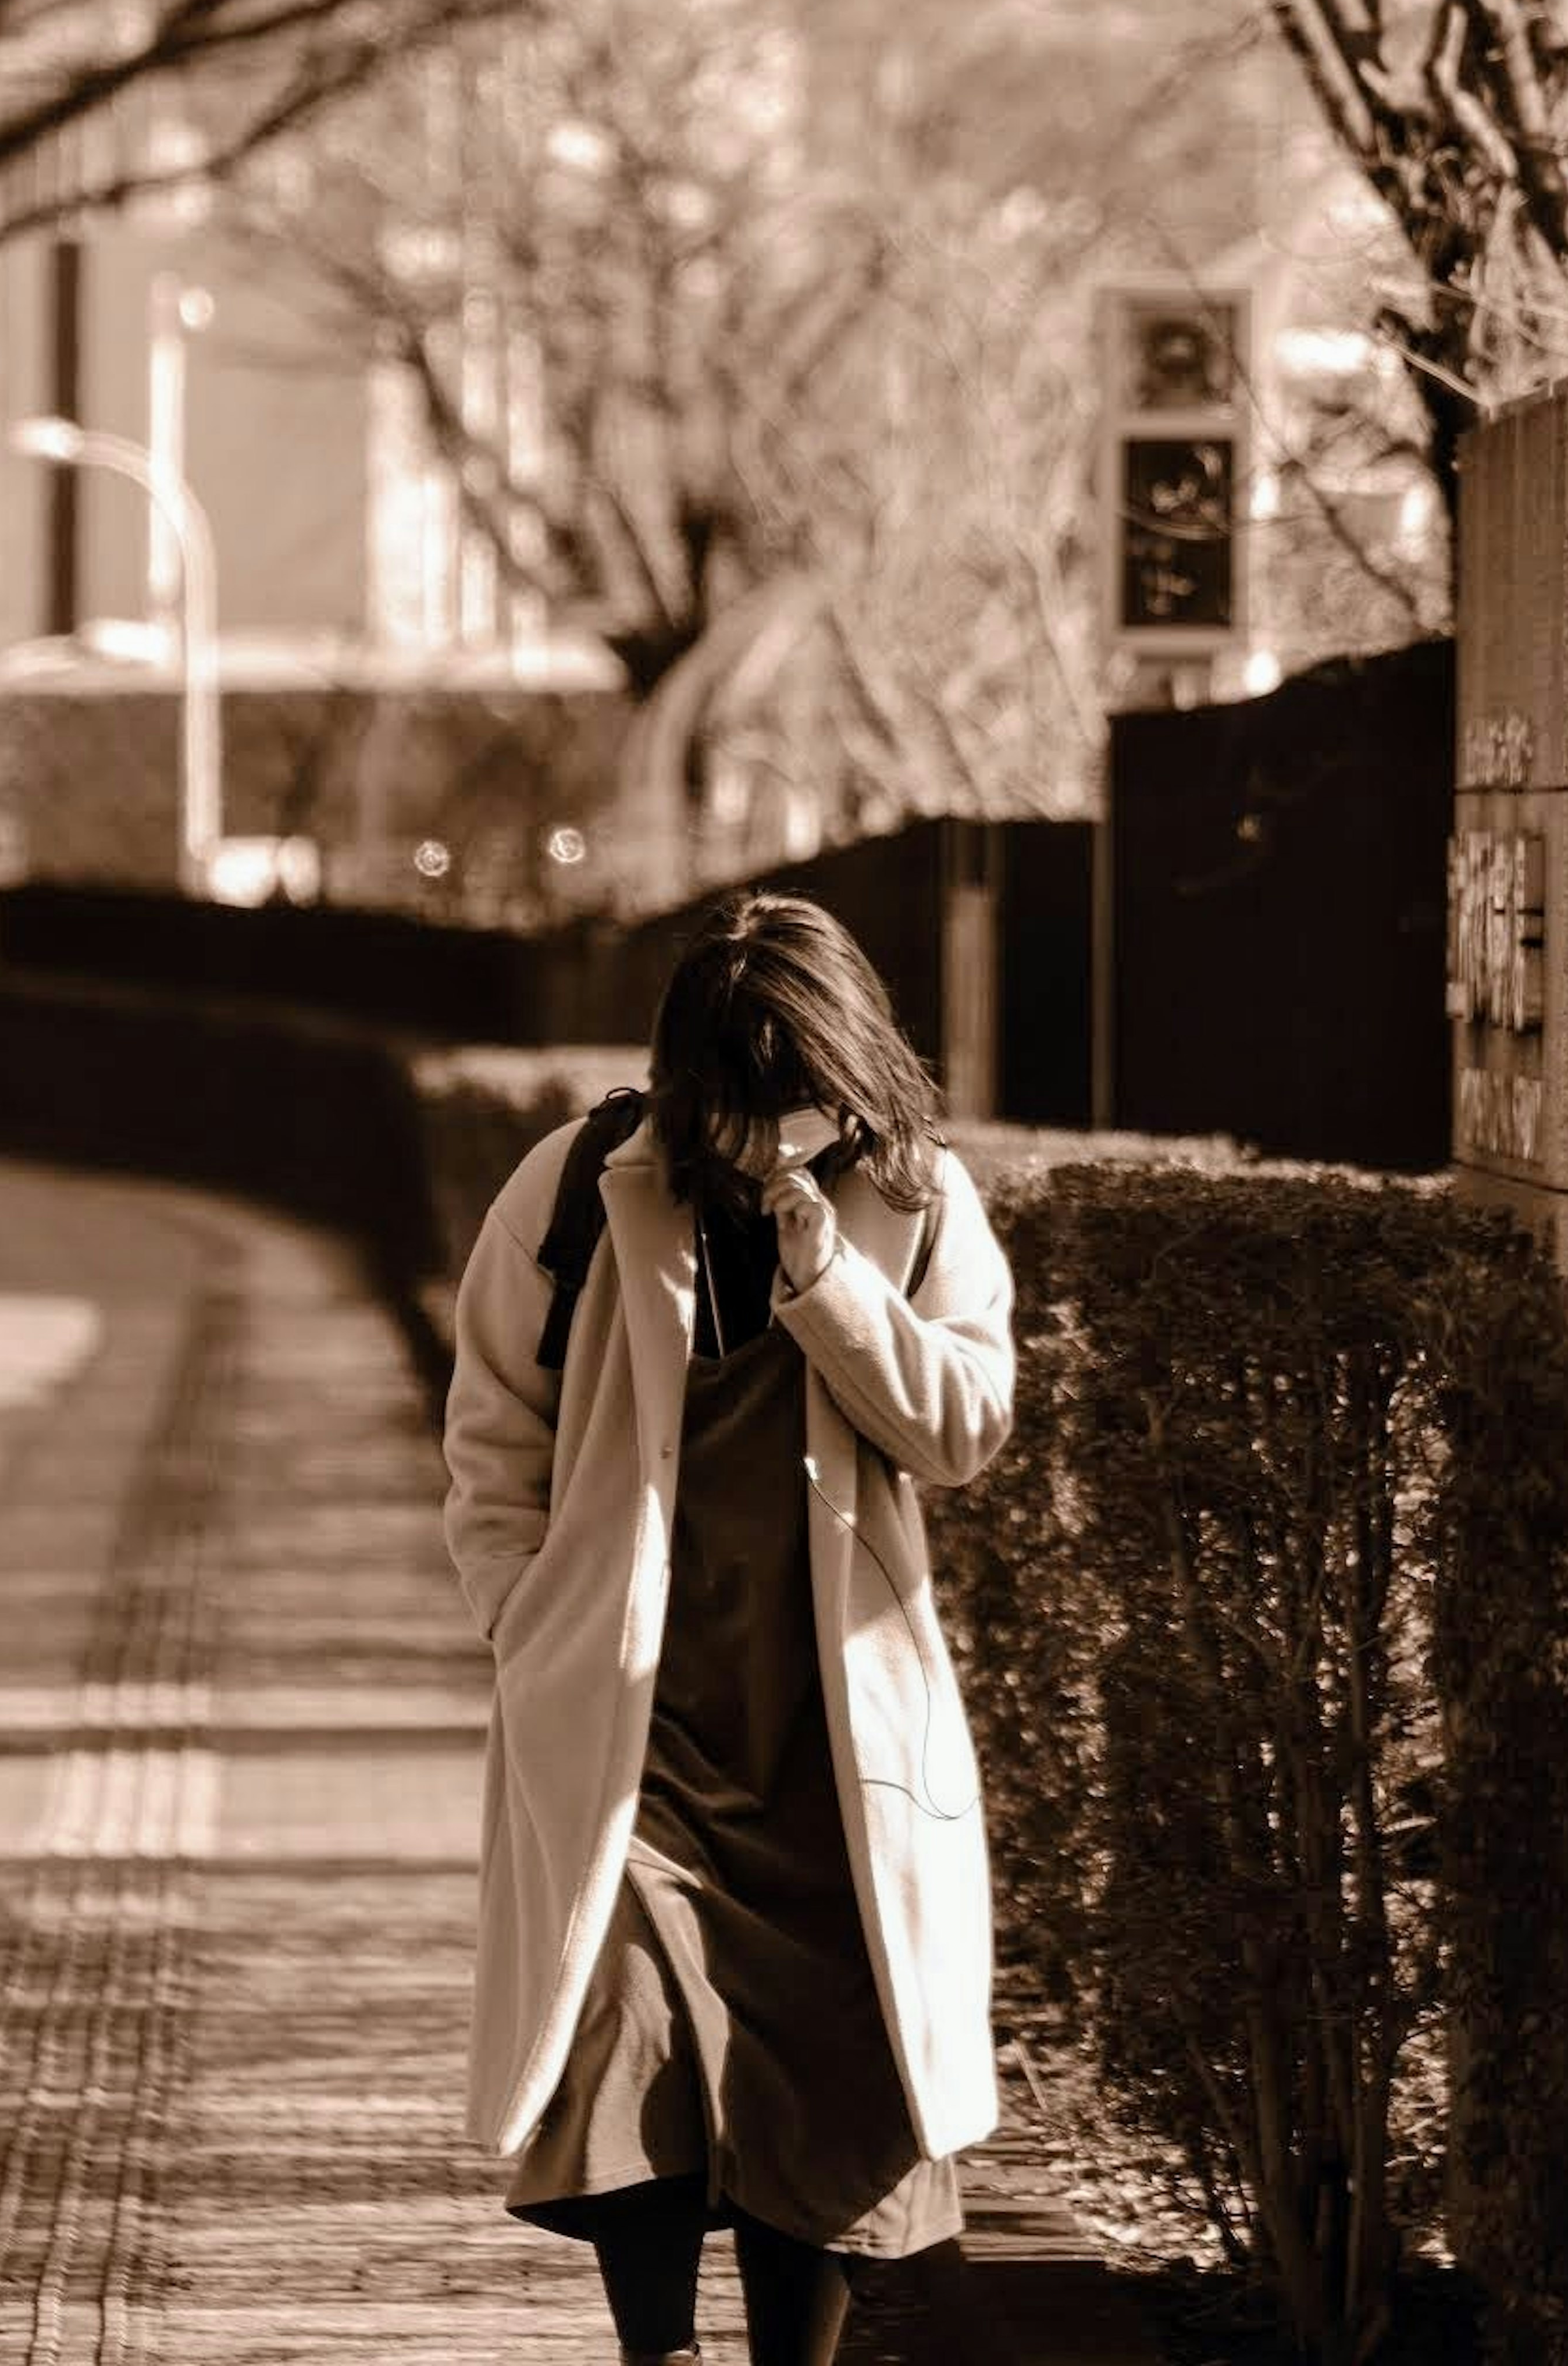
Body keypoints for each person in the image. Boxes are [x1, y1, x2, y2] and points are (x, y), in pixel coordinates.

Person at [441, 889, 1018, 2366]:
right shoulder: (580, 1182)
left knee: (816, 2072)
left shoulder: (915, 1198)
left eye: (800, 1099)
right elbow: (490, 1426)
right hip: (638, 1727)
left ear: (851, 1068)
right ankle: (654, 2350)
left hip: (828, 1740)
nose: (768, 1134)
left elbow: (963, 1425)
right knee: (628, 2013)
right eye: (743, 1099)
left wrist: (828, 1280)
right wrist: (525, 1614)